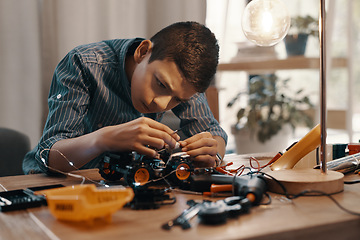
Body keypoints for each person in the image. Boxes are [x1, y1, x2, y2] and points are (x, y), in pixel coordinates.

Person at [23, 21, 228, 175]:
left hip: (119, 185)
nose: (162, 104)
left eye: (177, 100)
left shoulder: (182, 83)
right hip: (52, 185)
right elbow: (48, 155)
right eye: (161, 85)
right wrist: (103, 139)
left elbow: (214, 132)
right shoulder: (84, 64)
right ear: (143, 52)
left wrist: (213, 152)